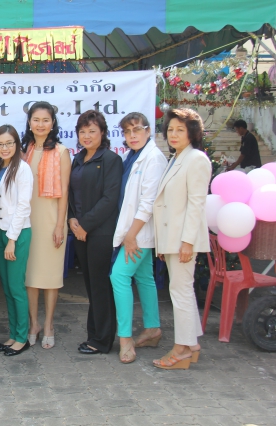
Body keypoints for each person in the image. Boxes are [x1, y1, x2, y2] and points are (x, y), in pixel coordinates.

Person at [153, 108, 211, 370]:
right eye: (170, 130)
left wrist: (188, 242)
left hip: (183, 240)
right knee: (181, 290)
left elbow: (196, 204)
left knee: (181, 292)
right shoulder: (176, 158)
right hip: (172, 239)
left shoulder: (196, 159)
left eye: (180, 130)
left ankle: (182, 349)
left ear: (192, 133)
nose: (173, 134)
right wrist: (163, 242)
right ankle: (192, 344)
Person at [109, 112, 166, 364]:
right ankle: (152, 329)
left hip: (139, 232)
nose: (132, 135)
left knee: (119, 276)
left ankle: (125, 339)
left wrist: (131, 236)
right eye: (127, 131)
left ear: (148, 130)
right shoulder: (132, 156)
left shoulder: (153, 158)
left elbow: (148, 203)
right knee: (144, 277)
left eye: (136, 130)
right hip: (134, 231)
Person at [69, 110, 123, 355]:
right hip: (80, 232)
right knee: (90, 285)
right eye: (83, 131)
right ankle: (94, 334)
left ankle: (102, 340)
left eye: (92, 131)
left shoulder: (111, 159)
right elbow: (71, 194)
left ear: (102, 132)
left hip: (101, 232)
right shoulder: (78, 159)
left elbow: (110, 198)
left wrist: (85, 225)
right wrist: (72, 218)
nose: (87, 136)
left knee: (101, 285)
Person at [21, 101, 71, 349]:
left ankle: (49, 324)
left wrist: (60, 226)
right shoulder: (24, 152)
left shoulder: (61, 152)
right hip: (28, 222)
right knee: (30, 276)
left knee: (50, 276)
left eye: (45, 120)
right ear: (29, 123)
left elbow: (65, 193)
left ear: (53, 124)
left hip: (52, 221)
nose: (40, 124)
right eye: (36, 120)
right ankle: (34, 324)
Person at [0, 125, 33, 356]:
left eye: (9, 143)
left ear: (17, 145)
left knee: (16, 287)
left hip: (16, 234)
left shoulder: (22, 169)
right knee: (7, 288)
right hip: (0, 232)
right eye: (0, 144)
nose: (4, 148)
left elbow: (23, 206)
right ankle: (13, 334)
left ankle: (22, 338)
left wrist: (11, 240)